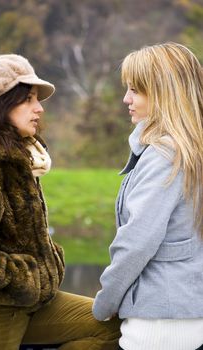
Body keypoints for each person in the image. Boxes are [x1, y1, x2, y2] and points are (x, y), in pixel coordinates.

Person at [0, 54, 121, 350]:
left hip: (30, 301)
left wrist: (48, 261)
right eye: (27, 99)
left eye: (37, 99)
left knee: (111, 328)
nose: (39, 108)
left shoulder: (21, 157)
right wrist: (25, 278)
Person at [92, 42, 203, 350]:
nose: (126, 99)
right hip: (189, 316)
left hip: (158, 326)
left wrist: (104, 304)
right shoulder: (192, 152)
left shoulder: (165, 155)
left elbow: (136, 243)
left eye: (136, 90)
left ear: (166, 94)